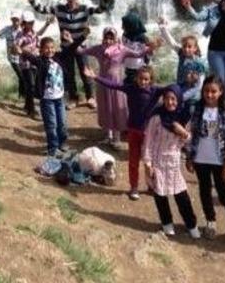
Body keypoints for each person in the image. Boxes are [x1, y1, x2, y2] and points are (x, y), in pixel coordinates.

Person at [19, 0, 116, 109]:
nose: (71, 0)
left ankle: (90, 97)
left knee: (84, 71)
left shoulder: (84, 8)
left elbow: (100, 10)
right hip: (66, 47)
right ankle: (73, 97)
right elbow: (41, 9)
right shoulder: (59, 9)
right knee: (69, 73)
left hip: (81, 46)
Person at [86, 65, 166, 201]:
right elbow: (113, 85)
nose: (143, 82)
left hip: (149, 133)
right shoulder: (131, 88)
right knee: (133, 161)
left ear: (151, 80)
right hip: (133, 130)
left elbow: (173, 89)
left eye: (146, 79)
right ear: (136, 78)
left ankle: (151, 185)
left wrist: (189, 83)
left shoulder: (155, 91)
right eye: (141, 78)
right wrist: (95, 77)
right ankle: (134, 187)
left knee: (150, 161)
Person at [185, 75, 225, 247]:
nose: (209, 95)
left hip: (220, 162)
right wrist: (189, 158)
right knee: (204, 192)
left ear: (220, 92)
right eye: (206, 91)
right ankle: (210, 222)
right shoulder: (196, 111)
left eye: (213, 91)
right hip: (200, 160)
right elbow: (190, 136)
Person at [78, 27, 152, 146]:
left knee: (116, 109)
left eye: (111, 38)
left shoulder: (121, 49)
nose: (108, 41)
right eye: (106, 38)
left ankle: (116, 138)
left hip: (116, 84)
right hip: (102, 83)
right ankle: (108, 136)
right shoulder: (98, 49)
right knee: (105, 108)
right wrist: (73, 40)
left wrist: (150, 48)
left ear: (115, 38)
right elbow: (81, 51)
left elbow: (137, 54)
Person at [143, 85, 200, 238]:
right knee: (160, 195)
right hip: (157, 161)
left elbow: (188, 142)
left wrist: (184, 133)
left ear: (179, 100)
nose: (170, 102)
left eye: (173, 99)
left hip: (174, 163)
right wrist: (148, 164)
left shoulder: (183, 118)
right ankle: (167, 223)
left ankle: (191, 224)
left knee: (181, 195)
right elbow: (148, 142)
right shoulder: (156, 117)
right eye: (167, 98)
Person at [183, 0, 225, 103]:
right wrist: (188, 6)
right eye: (224, 0)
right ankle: (219, 103)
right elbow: (198, 17)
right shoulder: (212, 11)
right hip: (215, 52)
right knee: (221, 79)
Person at [22, 36, 69, 157]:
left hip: (60, 98)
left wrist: (82, 37)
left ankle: (62, 144)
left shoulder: (58, 58)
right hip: (47, 99)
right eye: (46, 48)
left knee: (62, 123)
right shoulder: (41, 61)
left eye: (52, 47)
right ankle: (53, 148)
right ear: (41, 50)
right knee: (51, 124)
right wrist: (22, 51)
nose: (50, 50)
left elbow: (71, 49)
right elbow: (31, 58)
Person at [14, 11, 54, 118]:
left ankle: (27, 105)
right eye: (28, 22)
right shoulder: (20, 34)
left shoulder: (33, 32)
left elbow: (39, 34)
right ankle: (31, 111)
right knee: (31, 85)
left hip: (35, 62)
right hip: (26, 64)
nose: (30, 24)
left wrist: (47, 24)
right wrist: (20, 49)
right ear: (23, 23)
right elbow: (16, 46)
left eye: (32, 22)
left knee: (31, 85)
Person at [158, 17, 207, 88]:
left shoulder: (198, 63)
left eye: (189, 47)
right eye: (184, 46)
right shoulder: (181, 53)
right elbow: (172, 43)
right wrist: (163, 28)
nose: (186, 49)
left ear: (195, 48)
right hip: (180, 86)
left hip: (192, 91)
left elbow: (200, 83)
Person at [0, 10, 24, 99]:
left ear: (21, 20)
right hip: (12, 57)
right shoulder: (7, 29)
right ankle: (22, 95)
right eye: (13, 19)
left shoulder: (24, 29)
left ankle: (22, 95)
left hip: (23, 57)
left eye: (17, 19)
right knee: (21, 75)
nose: (15, 21)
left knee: (23, 76)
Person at [121, 7, 150, 85]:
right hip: (128, 66)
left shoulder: (142, 38)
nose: (122, 27)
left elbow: (147, 52)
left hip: (139, 67)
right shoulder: (125, 35)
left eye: (124, 26)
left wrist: (146, 63)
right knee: (129, 85)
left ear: (131, 26)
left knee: (138, 85)